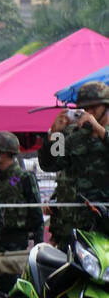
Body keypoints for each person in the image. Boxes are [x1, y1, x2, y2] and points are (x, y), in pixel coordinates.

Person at [0, 131, 44, 298]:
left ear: (5, 152)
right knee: (0, 286)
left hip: (16, 238)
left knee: (15, 287)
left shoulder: (24, 177)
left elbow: (36, 214)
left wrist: (38, 245)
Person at [39, 81, 109, 241]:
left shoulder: (104, 133)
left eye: (94, 107)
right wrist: (54, 134)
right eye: (85, 108)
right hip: (73, 223)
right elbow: (50, 164)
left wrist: (99, 130)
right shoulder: (73, 135)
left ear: (106, 106)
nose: (89, 112)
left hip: (104, 222)